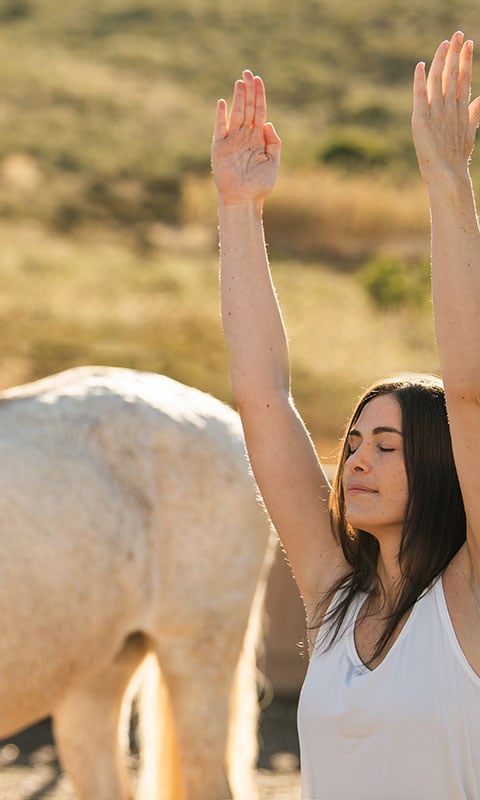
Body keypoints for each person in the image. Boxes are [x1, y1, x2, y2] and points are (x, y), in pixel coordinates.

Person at [211, 32, 480, 799]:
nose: (355, 459)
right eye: (355, 440)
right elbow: (262, 395)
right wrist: (239, 208)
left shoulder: (468, 601)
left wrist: (446, 177)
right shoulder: (335, 597)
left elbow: (469, 389)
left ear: (438, 466)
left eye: (386, 445)